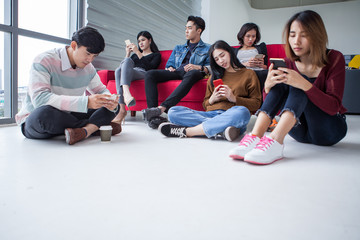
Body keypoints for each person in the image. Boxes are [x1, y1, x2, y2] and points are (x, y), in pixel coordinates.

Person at [229, 10, 348, 165]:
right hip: (299, 132)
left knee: (299, 80)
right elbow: (276, 107)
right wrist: (268, 87)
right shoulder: (289, 62)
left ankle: (276, 140)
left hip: (329, 130)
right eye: (292, 35)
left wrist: (303, 83)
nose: (296, 41)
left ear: (317, 35)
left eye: (303, 35)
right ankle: (255, 136)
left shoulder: (334, 58)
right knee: (283, 80)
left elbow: (333, 107)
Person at [15, 26, 121, 145]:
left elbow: (101, 90)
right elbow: (40, 100)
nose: (90, 60)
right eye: (88, 53)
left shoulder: (89, 68)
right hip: (39, 119)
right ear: (74, 45)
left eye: (94, 56)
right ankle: (96, 126)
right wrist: (86, 102)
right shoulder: (44, 60)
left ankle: (85, 131)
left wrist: (109, 99)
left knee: (114, 107)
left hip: (68, 116)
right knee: (43, 115)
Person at [158, 40, 261, 141]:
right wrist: (212, 99)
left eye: (222, 55)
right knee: (173, 112)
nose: (221, 61)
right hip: (212, 114)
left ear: (229, 52)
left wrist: (234, 98)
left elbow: (256, 104)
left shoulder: (248, 74)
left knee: (243, 112)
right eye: (216, 59)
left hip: (232, 114)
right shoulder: (214, 76)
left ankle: (189, 132)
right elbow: (205, 105)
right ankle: (221, 129)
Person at [142, 16, 211, 128]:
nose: (186, 31)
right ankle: (153, 115)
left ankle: (162, 108)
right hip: (177, 72)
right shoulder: (179, 48)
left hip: (194, 73)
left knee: (193, 73)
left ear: (199, 30)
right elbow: (170, 63)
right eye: (185, 28)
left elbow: (211, 67)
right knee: (150, 74)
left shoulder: (208, 48)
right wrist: (169, 68)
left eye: (189, 28)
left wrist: (198, 67)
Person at [112, 31, 161, 124]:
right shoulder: (134, 55)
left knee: (121, 68)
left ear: (150, 40)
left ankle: (126, 93)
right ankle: (122, 109)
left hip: (144, 73)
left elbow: (150, 68)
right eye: (139, 41)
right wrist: (127, 53)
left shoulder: (156, 55)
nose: (140, 43)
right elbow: (123, 68)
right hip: (132, 72)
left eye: (143, 40)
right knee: (118, 70)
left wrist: (138, 52)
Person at [234, 22, 268, 91]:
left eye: (253, 36)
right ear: (242, 36)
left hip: (259, 73)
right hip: (243, 73)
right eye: (248, 36)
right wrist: (246, 64)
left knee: (266, 73)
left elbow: (265, 67)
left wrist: (261, 65)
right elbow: (232, 66)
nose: (251, 39)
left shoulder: (261, 47)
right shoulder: (234, 51)